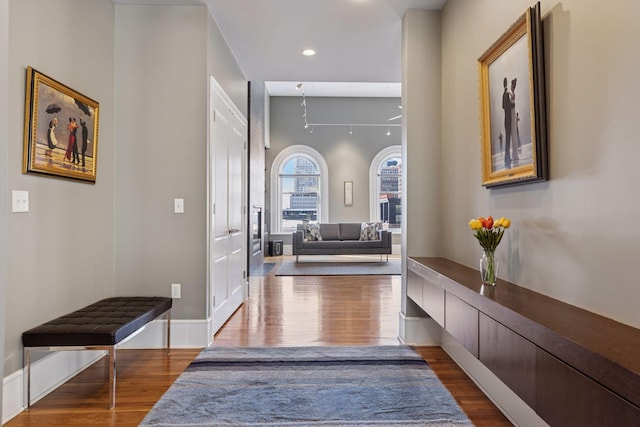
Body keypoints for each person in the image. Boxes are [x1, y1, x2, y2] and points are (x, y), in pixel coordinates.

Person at [501, 77, 512, 169]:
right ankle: (507, 159)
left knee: (508, 139)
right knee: (508, 139)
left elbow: (503, 106)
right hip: (508, 118)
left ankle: (507, 158)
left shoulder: (503, 95)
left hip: (506, 118)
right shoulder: (506, 94)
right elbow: (508, 106)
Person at [509, 78, 519, 161]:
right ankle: (514, 155)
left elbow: (512, 105)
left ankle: (515, 155)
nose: (511, 87)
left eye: (512, 85)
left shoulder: (512, 93)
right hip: (512, 113)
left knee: (514, 135)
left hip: (512, 113)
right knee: (513, 135)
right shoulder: (512, 93)